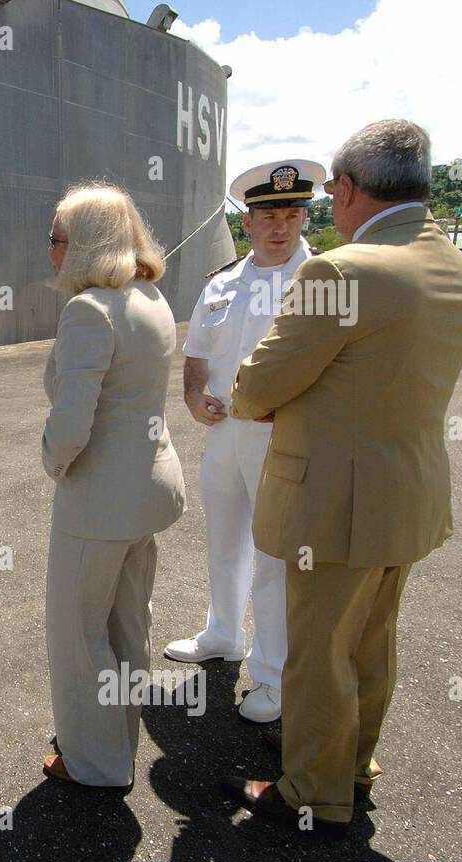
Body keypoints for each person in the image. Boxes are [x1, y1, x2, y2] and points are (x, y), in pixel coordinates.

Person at [221, 120, 462, 837]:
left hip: (336, 502)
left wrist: (271, 396)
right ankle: (351, 765)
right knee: (371, 645)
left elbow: (255, 385)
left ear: (346, 190)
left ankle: (312, 791)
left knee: (318, 654)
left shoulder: (342, 271)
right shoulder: (456, 266)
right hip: (411, 495)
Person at [166, 160, 326, 724]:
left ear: (305, 217)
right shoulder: (223, 282)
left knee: (275, 557)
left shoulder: (322, 281)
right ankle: (223, 633)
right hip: (225, 433)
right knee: (224, 539)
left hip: (283, 439)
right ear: (249, 221)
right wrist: (191, 396)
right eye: (268, 216)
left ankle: (272, 675)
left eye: (291, 214)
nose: (280, 226)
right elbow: (197, 353)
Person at [39, 183, 185, 788]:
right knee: (128, 624)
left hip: (97, 502)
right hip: (149, 491)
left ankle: (95, 762)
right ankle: (117, 735)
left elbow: (72, 422)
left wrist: (52, 463)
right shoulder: (151, 297)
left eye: (56, 238)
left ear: (83, 245)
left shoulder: (89, 310)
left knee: (79, 635)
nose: (49, 250)